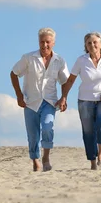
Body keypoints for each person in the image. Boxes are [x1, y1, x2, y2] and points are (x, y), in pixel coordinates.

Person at [10, 27, 70, 172]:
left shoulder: (59, 61)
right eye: (42, 42)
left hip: (49, 102)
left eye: (48, 42)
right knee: (33, 135)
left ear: (53, 43)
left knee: (48, 127)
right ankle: (35, 161)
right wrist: (19, 95)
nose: (44, 45)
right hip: (30, 102)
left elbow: (65, 81)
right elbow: (13, 73)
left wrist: (63, 98)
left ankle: (46, 157)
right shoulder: (28, 58)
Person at [59, 32, 101, 170]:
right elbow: (71, 80)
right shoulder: (81, 60)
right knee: (88, 131)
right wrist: (64, 96)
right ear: (85, 46)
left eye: (95, 42)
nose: (92, 45)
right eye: (89, 43)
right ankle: (92, 161)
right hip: (85, 100)